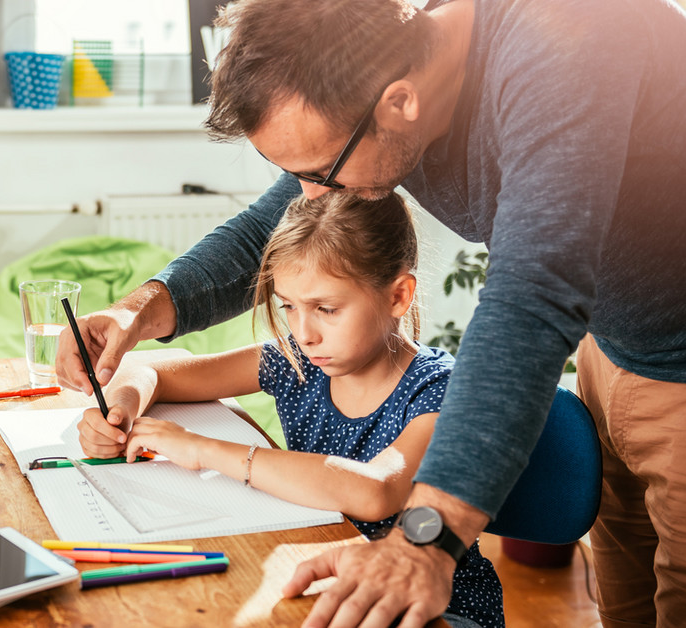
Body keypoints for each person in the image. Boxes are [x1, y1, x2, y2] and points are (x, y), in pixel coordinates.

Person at [57, 0, 686, 628]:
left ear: (401, 102)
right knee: (629, 603)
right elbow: (274, 224)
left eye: (320, 172)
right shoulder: (403, 81)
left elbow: (531, 297)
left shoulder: (565, 45)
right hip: (617, 344)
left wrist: (426, 539)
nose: (309, 195)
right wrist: (138, 309)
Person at [79, 192, 503, 627]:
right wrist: (122, 408)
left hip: (439, 610)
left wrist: (204, 450)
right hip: (324, 578)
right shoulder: (296, 363)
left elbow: (375, 492)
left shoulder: (438, 387)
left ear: (398, 296)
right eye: (288, 307)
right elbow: (152, 369)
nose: (303, 332)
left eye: (327, 309)